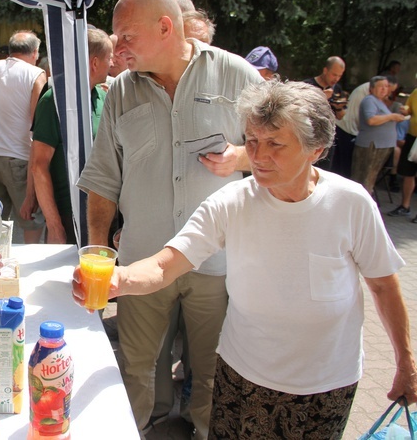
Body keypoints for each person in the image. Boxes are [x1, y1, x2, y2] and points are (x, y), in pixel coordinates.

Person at [73, 79, 416, 438]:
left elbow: (383, 285)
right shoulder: (231, 202)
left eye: (275, 144)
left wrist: (406, 363)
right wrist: (120, 279)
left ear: (315, 149)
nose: (259, 155)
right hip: (243, 377)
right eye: (251, 141)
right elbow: (165, 264)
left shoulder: (351, 203)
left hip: (326, 385)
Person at [76, 0, 262, 439]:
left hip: (217, 262)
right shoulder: (121, 91)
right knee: (135, 368)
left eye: (125, 36)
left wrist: (239, 157)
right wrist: (99, 252)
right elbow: (103, 179)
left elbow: (277, 150)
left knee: (215, 372)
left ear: (165, 27)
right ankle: (136, 430)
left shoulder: (236, 75)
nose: (117, 48)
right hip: (141, 260)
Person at [31, 27, 112, 244]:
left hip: (102, 211)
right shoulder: (54, 101)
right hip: (68, 215)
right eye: (109, 58)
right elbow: (39, 165)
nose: (112, 64)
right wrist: (55, 225)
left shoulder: (103, 96)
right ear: (94, 63)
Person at [0, 30, 47, 244]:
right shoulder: (36, 74)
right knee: (31, 220)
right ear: (35, 52)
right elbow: (39, 116)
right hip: (19, 156)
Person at [351, 76, 407, 198]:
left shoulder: (380, 101)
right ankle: (361, 205)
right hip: (371, 145)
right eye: (380, 86)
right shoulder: (369, 100)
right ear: (371, 88)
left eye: (386, 86)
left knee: (370, 179)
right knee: (364, 178)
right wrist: (392, 117)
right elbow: (371, 120)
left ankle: (365, 204)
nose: (384, 89)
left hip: (380, 146)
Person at [387, 85, 417, 221]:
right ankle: (405, 206)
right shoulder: (415, 92)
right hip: (412, 136)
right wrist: (404, 110)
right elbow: (409, 109)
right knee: (408, 173)